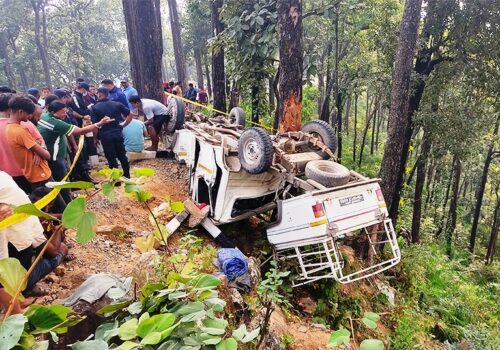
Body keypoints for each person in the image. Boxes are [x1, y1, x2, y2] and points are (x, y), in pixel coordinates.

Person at [37, 101, 112, 202]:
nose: (65, 114)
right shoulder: (55, 123)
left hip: (57, 155)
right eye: (62, 112)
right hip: (56, 158)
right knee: (62, 181)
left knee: (64, 178)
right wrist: (99, 124)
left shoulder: (45, 115)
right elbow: (79, 131)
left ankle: (67, 197)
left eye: (66, 111)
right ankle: (68, 202)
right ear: (54, 112)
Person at [91, 87, 132, 178]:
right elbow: (130, 114)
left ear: (99, 94)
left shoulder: (94, 108)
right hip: (117, 133)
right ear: (107, 94)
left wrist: (94, 138)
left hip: (105, 135)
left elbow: (95, 126)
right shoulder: (117, 104)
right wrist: (124, 124)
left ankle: (116, 179)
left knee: (111, 158)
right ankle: (127, 176)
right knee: (122, 156)